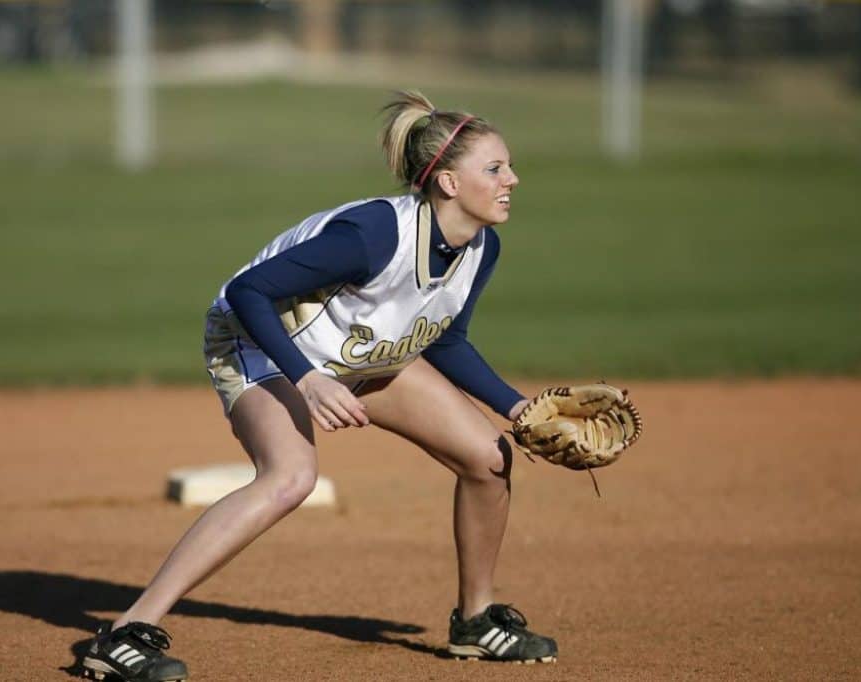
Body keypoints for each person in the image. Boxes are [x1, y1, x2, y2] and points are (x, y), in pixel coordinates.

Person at [81, 90, 558, 682]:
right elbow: (247, 292)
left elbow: (446, 339)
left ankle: (477, 621)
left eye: (507, 165)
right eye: (494, 168)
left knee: (488, 457)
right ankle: (125, 632)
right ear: (449, 184)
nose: (512, 178)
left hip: (358, 352)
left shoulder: (481, 247)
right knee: (291, 476)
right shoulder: (372, 235)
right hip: (259, 344)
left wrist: (519, 409)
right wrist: (305, 380)